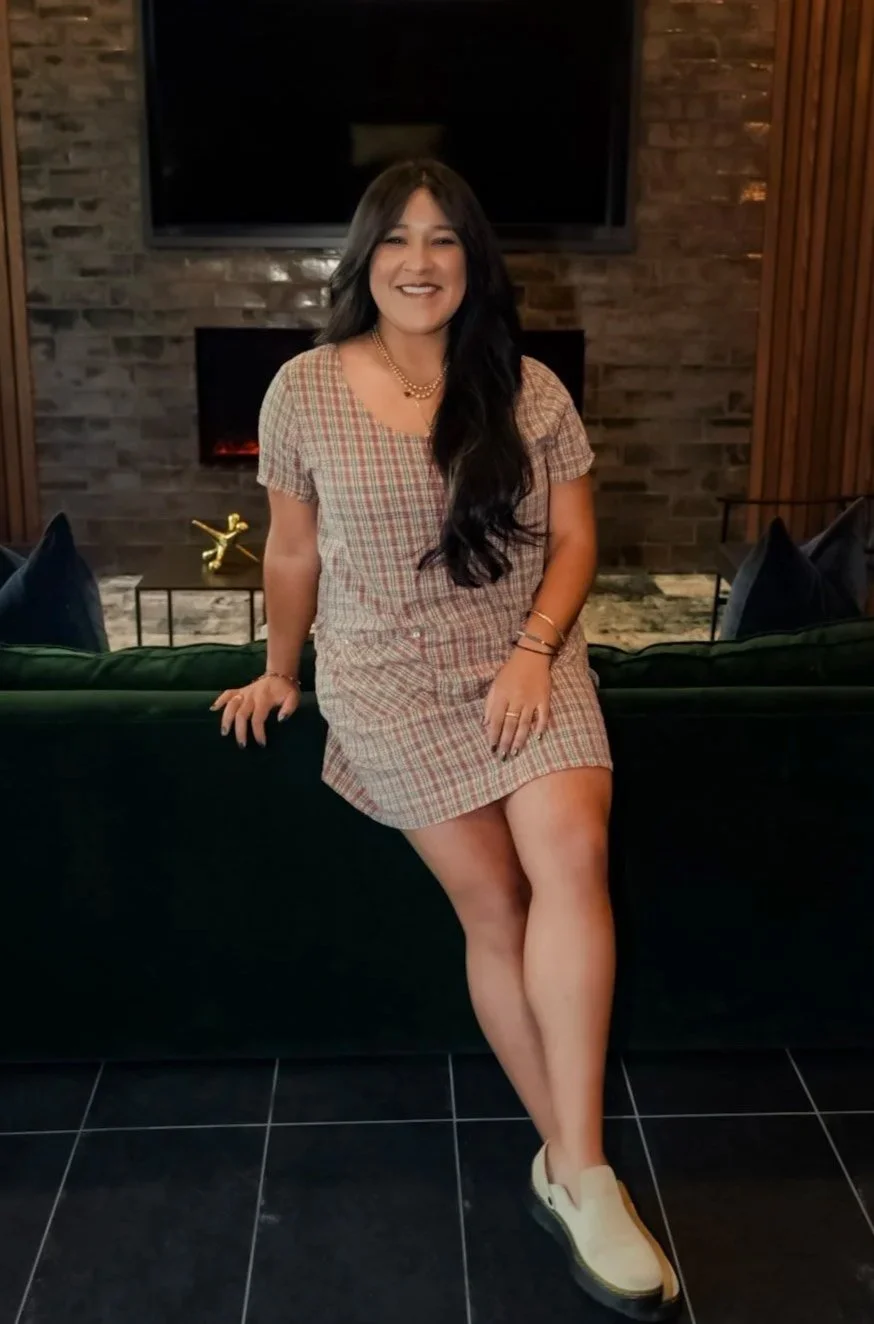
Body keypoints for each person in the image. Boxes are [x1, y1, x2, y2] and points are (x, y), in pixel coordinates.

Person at [212, 159, 681, 1321]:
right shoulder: (300, 390)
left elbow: (573, 540)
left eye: (444, 240)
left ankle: (580, 1173)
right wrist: (278, 670)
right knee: (496, 909)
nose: (420, 262)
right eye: (396, 240)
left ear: (473, 262)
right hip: (388, 679)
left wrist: (532, 648)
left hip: (529, 655)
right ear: (364, 259)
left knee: (569, 851)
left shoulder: (525, 386)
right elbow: (288, 550)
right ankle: (575, 1164)